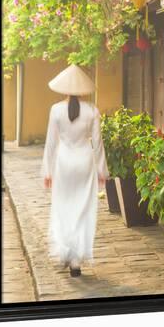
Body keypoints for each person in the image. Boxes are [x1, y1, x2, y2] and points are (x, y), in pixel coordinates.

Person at [41, 64, 109, 277]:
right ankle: (76, 261)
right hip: (84, 163)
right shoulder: (92, 110)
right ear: (82, 89)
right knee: (82, 210)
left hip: (64, 163)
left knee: (63, 208)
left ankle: (66, 251)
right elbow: (98, 144)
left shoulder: (55, 110)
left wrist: (47, 170)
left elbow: (51, 143)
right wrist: (102, 170)